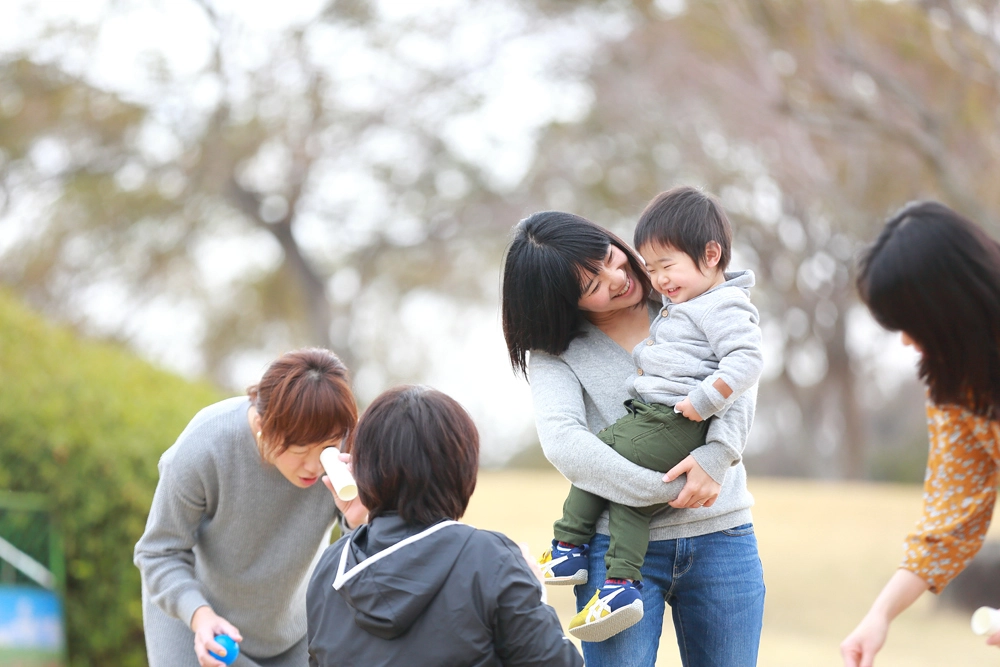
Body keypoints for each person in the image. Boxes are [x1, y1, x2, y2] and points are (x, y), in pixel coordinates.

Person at [501, 192, 765, 666]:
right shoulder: (555, 352)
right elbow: (565, 443)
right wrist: (663, 489)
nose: (620, 279)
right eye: (592, 284)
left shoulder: (686, 295)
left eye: (610, 258)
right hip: (613, 550)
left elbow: (740, 379)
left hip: (721, 534)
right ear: (563, 300)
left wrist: (716, 457)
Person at [305, 385, 583, 667]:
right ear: (461, 469)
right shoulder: (489, 559)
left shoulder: (332, 567)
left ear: (362, 469)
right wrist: (536, 593)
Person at [134, 348, 368, 667]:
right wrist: (200, 616)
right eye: (299, 449)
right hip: (195, 619)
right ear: (262, 423)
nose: (314, 466)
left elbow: (359, 572)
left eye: (326, 448)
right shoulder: (204, 448)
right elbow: (159, 552)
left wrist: (358, 524)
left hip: (292, 633)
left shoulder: (343, 458)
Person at [841, 201, 1000, 666]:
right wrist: (880, 614)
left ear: (948, 307)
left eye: (912, 324)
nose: (907, 341)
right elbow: (949, 521)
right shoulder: (958, 387)